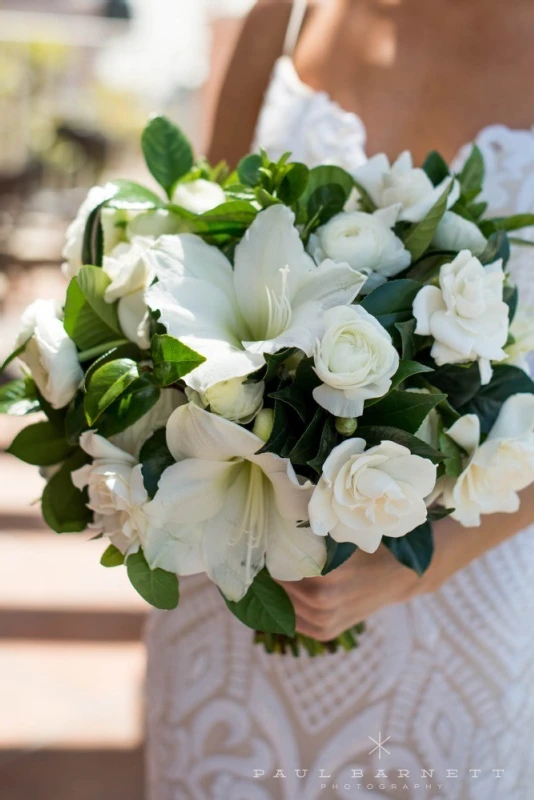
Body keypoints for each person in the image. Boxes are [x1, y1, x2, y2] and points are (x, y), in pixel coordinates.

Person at [145, 2, 534, 797]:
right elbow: (189, 261)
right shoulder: (283, 14)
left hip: (465, 594)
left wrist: (419, 569)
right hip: (235, 583)